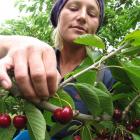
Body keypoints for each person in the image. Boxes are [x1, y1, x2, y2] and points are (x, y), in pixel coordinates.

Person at [0, 0, 115, 139]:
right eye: (73, 8)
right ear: (58, 15)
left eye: (92, 14)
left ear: (97, 27)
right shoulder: (35, 59)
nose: (82, 17)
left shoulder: (107, 76)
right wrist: (10, 43)